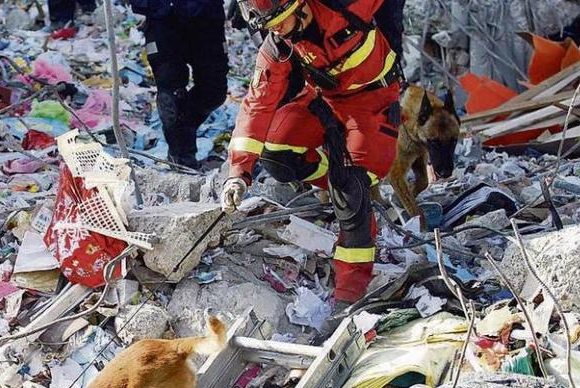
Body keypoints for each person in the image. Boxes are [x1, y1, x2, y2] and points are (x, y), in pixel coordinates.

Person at [221, 0, 402, 336]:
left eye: (279, 21)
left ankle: (350, 294)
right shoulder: (278, 46)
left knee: (352, 192)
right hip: (324, 101)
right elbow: (257, 104)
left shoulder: (345, 5)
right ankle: (336, 177)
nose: (274, 30)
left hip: (372, 103)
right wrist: (238, 173)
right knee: (276, 151)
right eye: (268, 24)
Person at [130, 0, 229, 168]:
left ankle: (183, 129)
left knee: (214, 90)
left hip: (206, 13)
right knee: (171, 96)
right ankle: (182, 158)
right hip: (161, 15)